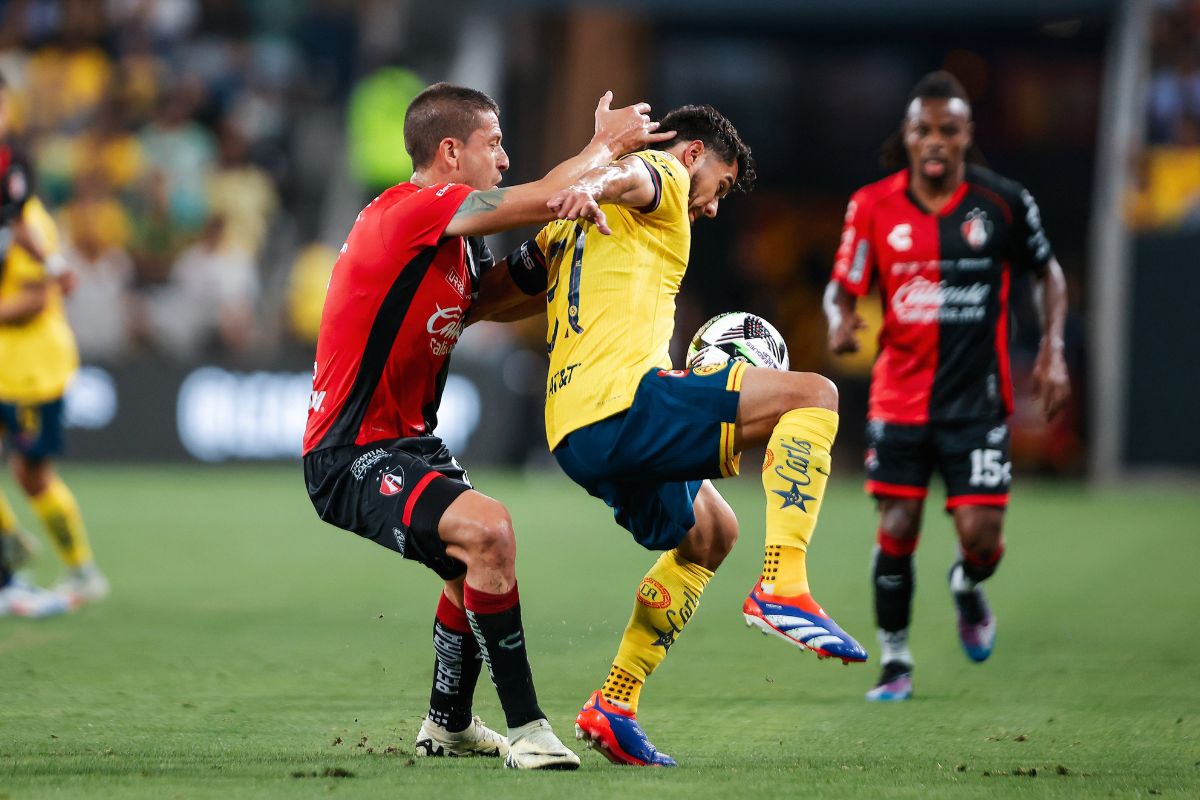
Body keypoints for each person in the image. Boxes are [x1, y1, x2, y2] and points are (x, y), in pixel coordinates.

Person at [301, 82, 670, 770]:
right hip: (351, 450)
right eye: (493, 145)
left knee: (469, 560)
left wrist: (553, 249)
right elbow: (535, 192)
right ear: (450, 151)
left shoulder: (453, 243)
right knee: (489, 531)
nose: (503, 160)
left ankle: (448, 724)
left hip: (408, 442)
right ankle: (529, 730)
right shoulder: (412, 210)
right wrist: (605, 147)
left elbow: (492, 302)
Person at [531, 104, 867, 768]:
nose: (713, 206)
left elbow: (505, 289)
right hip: (624, 403)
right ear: (692, 156)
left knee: (712, 532)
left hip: (572, 430)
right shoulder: (662, 171)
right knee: (815, 395)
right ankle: (783, 586)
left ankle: (615, 704)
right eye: (721, 182)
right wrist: (593, 179)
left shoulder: (565, 235)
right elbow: (631, 176)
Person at [823, 71, 1070, 702]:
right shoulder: (872, 205)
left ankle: (967, 583)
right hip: (899, 397)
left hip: (977, 401)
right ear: (906, 137)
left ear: (966, 136)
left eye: (948, 130)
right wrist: (839, 317)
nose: (935, 141)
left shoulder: (1003, 202)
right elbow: (840, 286)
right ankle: (896, 662)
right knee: (899, 522)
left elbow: (1050, 275)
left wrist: (1053, 349)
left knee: (982, 540)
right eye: (922, 130)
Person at [0, 72, 108, 617]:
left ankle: (82, 570)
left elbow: (33, 302)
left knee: (31, 473)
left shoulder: (29, 218)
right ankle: (10, 551)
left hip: (30, 367)